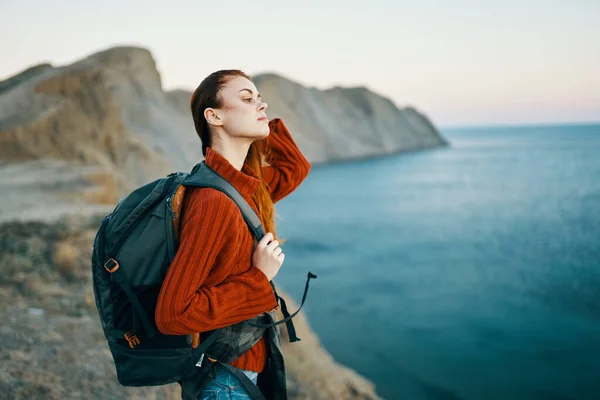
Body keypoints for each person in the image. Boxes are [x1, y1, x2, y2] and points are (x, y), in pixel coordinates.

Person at [154, 69, 311, 399]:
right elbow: (173, 314)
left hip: (240, 370)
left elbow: (294, 168)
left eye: (259, 98)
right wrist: (258, 277)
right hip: (225, 380)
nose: (261, 104)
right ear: (214, 116)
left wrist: (263, 124)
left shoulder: (244, 187)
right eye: (246, 98)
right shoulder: (214, 201)